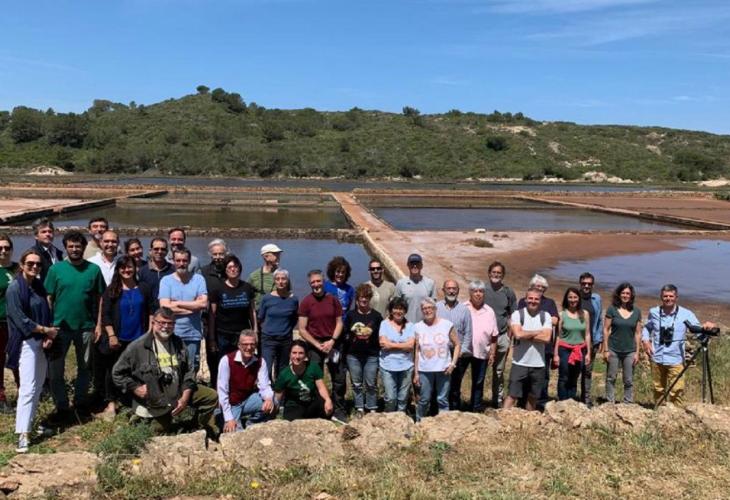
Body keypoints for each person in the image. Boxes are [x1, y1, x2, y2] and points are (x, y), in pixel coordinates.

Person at [112, 307, 219, 437]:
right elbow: (117, 373)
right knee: (156, 432)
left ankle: (198, 428)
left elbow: (189, 372)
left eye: (170, 323)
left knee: (210, 396)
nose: (166, 327)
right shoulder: (138, 347)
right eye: (162, 322)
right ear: (153, 323)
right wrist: (135, 388)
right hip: (156, 399)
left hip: (178, 391)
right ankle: (139, 420)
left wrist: (185, 398)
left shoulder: (178, 343)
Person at [45, 231, 106, 418]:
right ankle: (62, 406)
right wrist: (48, 326)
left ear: (83, 247)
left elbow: (101, 298)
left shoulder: (93, 270)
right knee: (56, 369)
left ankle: (80, 402)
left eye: (78, 246)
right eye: (71, 246)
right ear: (65, 247)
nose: (74, 249)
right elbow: (48, 297)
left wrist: (99, 324)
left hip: (86, 326)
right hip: (59, 327)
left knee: (85, 367)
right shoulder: (56, 270)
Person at [6, 249, 58, 453]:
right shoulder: (14, 289)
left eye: (38, 264)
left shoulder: (37, 286)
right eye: (30, 264)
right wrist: (46, 330)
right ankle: (22, 435)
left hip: (41, 342)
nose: (35, 267)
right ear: (22, 265)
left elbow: (47, 312)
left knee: (37, 387)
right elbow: (20, 320)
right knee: (27, 388)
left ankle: (31, 425)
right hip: (25, 343)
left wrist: (47, 335)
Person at [98, 256, 153, 418]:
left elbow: (151, 311)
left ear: (135, 268)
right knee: (113, 369)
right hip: (118, 337)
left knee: (136, 370)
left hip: (139, 337)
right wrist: (111, 335)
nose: (126, 270)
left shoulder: (144, 288)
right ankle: (111, 403)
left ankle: (133, 400)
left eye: (130, 267)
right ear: (118, 270)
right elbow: (106, 315)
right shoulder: (112, 289)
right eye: (123, 268)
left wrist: (149, 334)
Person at [641, 284, 714, 407]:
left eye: (671, 296)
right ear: (661, 297)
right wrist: (645, 341)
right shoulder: (653, 312)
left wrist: (707, 329)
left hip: (676, 359)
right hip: (657, 357)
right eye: (665, 296)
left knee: (677, 390)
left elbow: (696, 330)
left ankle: (677, 413)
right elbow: (647, 328)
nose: (668, 298)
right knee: (658, 388)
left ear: (676, 297)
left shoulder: (686, 314)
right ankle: (660, 411)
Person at [297, 269, 346, 423]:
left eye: (319, 281)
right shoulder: (306, 302)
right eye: (313, 282)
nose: (316, 284)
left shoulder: (333, 300)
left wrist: (332, 341)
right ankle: (318, 407)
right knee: (315, 377)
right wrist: (318, 345)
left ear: (323, 282)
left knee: (338, 377)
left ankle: (339, 409)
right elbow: (302, 329)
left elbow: (339, 322)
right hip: (314, 344)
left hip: (332, 343)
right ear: (310, 284)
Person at [208, 255, 256, 388]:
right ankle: (222, 392)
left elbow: (252, 311)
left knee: (243, 363)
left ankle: (240, 388)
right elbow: (212, 315)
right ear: (225, 270)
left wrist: (255, 330)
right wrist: (212, 338)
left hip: (242, 334)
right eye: (230, 267)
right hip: (223, 334)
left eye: (236, 267)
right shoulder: (217, 289)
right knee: (224, 364)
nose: (233, 269)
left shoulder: (247, 288)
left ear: (240, 269)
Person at [158, 247, 208, 376]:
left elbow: (203, 303)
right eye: (178, 260)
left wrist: (177, 303)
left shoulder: (198, 279)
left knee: (191, 368)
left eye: (184, 260)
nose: (181, 263)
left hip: (193, 334)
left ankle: (189, 395)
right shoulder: (166, 281)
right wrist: (193, 307)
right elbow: (165, 308)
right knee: (170, 368)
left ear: (189, 261)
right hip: (170, 333)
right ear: (173, 261)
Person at [217, 330, 276, 432]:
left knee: (273, 402)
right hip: (231, 403)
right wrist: (229, 418)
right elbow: (222, 391)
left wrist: (268, 399)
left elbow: (265, 385)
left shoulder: (260, 361)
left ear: (256, 345)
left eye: (252, 344)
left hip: (247, 399)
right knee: (235, 435)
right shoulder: (226, 360)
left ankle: (252, 424)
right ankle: (221, 416)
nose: (249, 348)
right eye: (245, 344)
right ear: (239, 345)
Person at [503, 288, 552, 411]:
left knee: (533, 396)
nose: (533, 301)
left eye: (536, 299)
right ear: (525, 299)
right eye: (530, 298)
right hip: (519, 362)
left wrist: (525, 334)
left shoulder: (545, 316)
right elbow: (518, 335)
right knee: (512, 395)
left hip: (538, 364)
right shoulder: (517, 314)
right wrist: (536, 332)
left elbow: (546, 338)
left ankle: (529, 420)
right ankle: (503, 418)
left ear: (540, 301)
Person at [414, 298, 460, 421]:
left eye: (430, 308)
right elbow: (417, 351)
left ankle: (444, 425)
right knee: (424, 399)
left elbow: (457, 344)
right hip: (425, 369)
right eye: (424, 308)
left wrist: (452, 364)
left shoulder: (446, 325)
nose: (427, 310)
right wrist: (416, 373)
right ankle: (419, 423)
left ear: (435, 309)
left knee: (442, 399)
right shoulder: (417, 327)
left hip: (443, 368)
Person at [517, 274, 559, 411]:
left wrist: (533, 327)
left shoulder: (550, 302)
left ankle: (541, 402)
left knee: (543, 376)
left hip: (545, 347)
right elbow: (520, 322)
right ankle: (523, 402)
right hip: (525, 346)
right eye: (537, 286)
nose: (540, 289)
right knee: (524, 375)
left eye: (542, 287)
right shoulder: (523, 301)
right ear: (532, 286)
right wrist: (542, 326)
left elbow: (554, 321)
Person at [343, 284, 382, 418]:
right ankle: (359, 407)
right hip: (353, 355)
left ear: (370, 298)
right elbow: (345, 333)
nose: (363, 300)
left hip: (371, 355)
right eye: (361, 298)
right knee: (357, 383)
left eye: (366, 298)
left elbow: (380, 335)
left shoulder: (376, 316)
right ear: (357, 299)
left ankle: (371, 408)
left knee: (371, 383)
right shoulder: (350, 315)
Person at [435, 279, 473, 411]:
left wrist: (462, 351)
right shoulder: (437, 308)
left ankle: (454, 412)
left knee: (455, 386)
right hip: (440, 354)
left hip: (458, 354)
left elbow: (468, 333)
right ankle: (436, 413)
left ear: (458, 291)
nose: (451, 291)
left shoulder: (464, 310)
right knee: (440, 385)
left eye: (454, 288)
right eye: (448, 288)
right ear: (443, 290)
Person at [484, 261, 517, 408]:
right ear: (489, 273)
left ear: (502, 275)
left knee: (498, 371)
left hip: (502, 336)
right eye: (494, 272)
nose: (496, 275)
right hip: (484, 337)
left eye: (499, 273)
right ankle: (476, 401)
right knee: (480, 370)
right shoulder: (482, 290)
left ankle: (497, 401)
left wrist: (509, 335)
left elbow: (512, 315)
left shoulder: (508, 292)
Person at [273, 339, 333, 421]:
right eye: (294, 353)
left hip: (311, 402)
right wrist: (273, 411)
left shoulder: (313, 367)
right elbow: (278, 397)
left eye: (301, 353)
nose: (297, 357)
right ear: (289, 354)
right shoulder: (284, 374)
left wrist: (328, 400)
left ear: (306, 355)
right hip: (294, 405)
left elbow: (321, 387)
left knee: (328, 409)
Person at [603, 283, 642, 404]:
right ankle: (610, 402)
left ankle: (627, 403)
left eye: (628, 293)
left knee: (628, 380)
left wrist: (637, 352)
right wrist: (605, 350)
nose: (625, 295)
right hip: (613, 348)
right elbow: (605, 329)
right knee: (611, 378)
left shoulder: (636, 311)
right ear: (619, 294)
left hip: (630, 350)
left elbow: (638, 333)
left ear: (631, 295)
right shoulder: (612, 309)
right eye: (623, 293)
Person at [463, 280, 498, 412]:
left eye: (481, 291)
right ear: (470, 293)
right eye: (475, 291)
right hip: (464, 352)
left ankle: (475, 408)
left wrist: (492, 353)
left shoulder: (489, 311)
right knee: (457, 380)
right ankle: (454, 406)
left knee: (478, 382)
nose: (478, 294)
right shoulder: (463, 307)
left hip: (482, 352)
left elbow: (494, 335)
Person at [258, 269, 298, 380]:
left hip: (286, 339)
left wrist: (287, 329)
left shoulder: (293, 299)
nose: (280, 281)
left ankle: (280, 393)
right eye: (277, 279)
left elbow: (295, 318)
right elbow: (260, 318)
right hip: (268, 339)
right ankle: (267, 393)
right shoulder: (267, 298)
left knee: (283, 368)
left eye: (283, 279)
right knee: (266, 367)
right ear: (274, 281)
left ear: (287, 281)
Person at [379, 297, 416, 413]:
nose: (398, 311)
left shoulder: (410, 326)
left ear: (405, 311)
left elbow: (410, 346)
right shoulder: (384, 324)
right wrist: (402, 346)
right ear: (391, 310)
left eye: (401, 309)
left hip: (406, 366)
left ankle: (401, 419)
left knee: (403, 397)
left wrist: (392, 345)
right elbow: (383, 344)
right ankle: (390, 419)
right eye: (395, 308)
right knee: (390, 397)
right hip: (387, 366)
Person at [554, 287, 591, 402]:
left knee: (574, 378)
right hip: (565, 349)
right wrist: (556, 354)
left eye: (575, 297)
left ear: (579, 299)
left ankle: (571, 401)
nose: (573, 300)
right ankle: (562, 401)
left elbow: (587, 334)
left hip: (580, 349)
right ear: (566, 299)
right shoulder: (562, 314)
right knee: (564, 377)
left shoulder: (584, 314)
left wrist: (588, 353)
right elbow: (558, 336)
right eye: (570, 297)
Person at [0, 234, 20, 412]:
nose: (3, 251)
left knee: (19, 358)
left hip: (16, 322)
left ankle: (25, 392)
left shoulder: (18, 268)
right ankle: (1, 398)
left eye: (7, 248)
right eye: (0, 248)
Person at [578, 272, 603, 407]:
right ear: (580, 284)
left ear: (592, 285)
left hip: (591, 341)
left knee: (587, 371)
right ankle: (569, 397)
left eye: (589, 284)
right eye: (584, 284)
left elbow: (599, 320)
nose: (586, 286)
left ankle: (586, 399)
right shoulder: (575, 297)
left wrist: (599, 339)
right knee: (573, 370)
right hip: (575, 340)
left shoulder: (596, 299)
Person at [394, 253, 436, 324]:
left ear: (421, 266)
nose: (415, 266)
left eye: (417, 263)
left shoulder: (430, 283)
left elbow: (434, 306)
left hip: (425, 326)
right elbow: (396, 306)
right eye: (412, 263)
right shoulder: (401, 283)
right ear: (408, 265)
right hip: (406, 325)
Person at [138, 237, 174, 310]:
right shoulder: (142, 271)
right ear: (150, 251)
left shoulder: (173, 270)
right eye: (156, 249)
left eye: (163, 249)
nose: (159, 251)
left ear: (167, 252)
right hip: (148, 313)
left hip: (169, 314)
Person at [248, 243, 283, 310]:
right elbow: (247, 295)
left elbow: (289, 295)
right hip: (259, 315)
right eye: (275, 254)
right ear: (266, 256)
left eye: (279, 254)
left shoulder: (283, 275)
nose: (278, 257)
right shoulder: (254, 276)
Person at [29, 218, 63, 282]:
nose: (47, 234)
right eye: (43, 232)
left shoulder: (57, 252)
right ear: (36, 236)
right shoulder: (33, 254)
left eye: (50, 231)